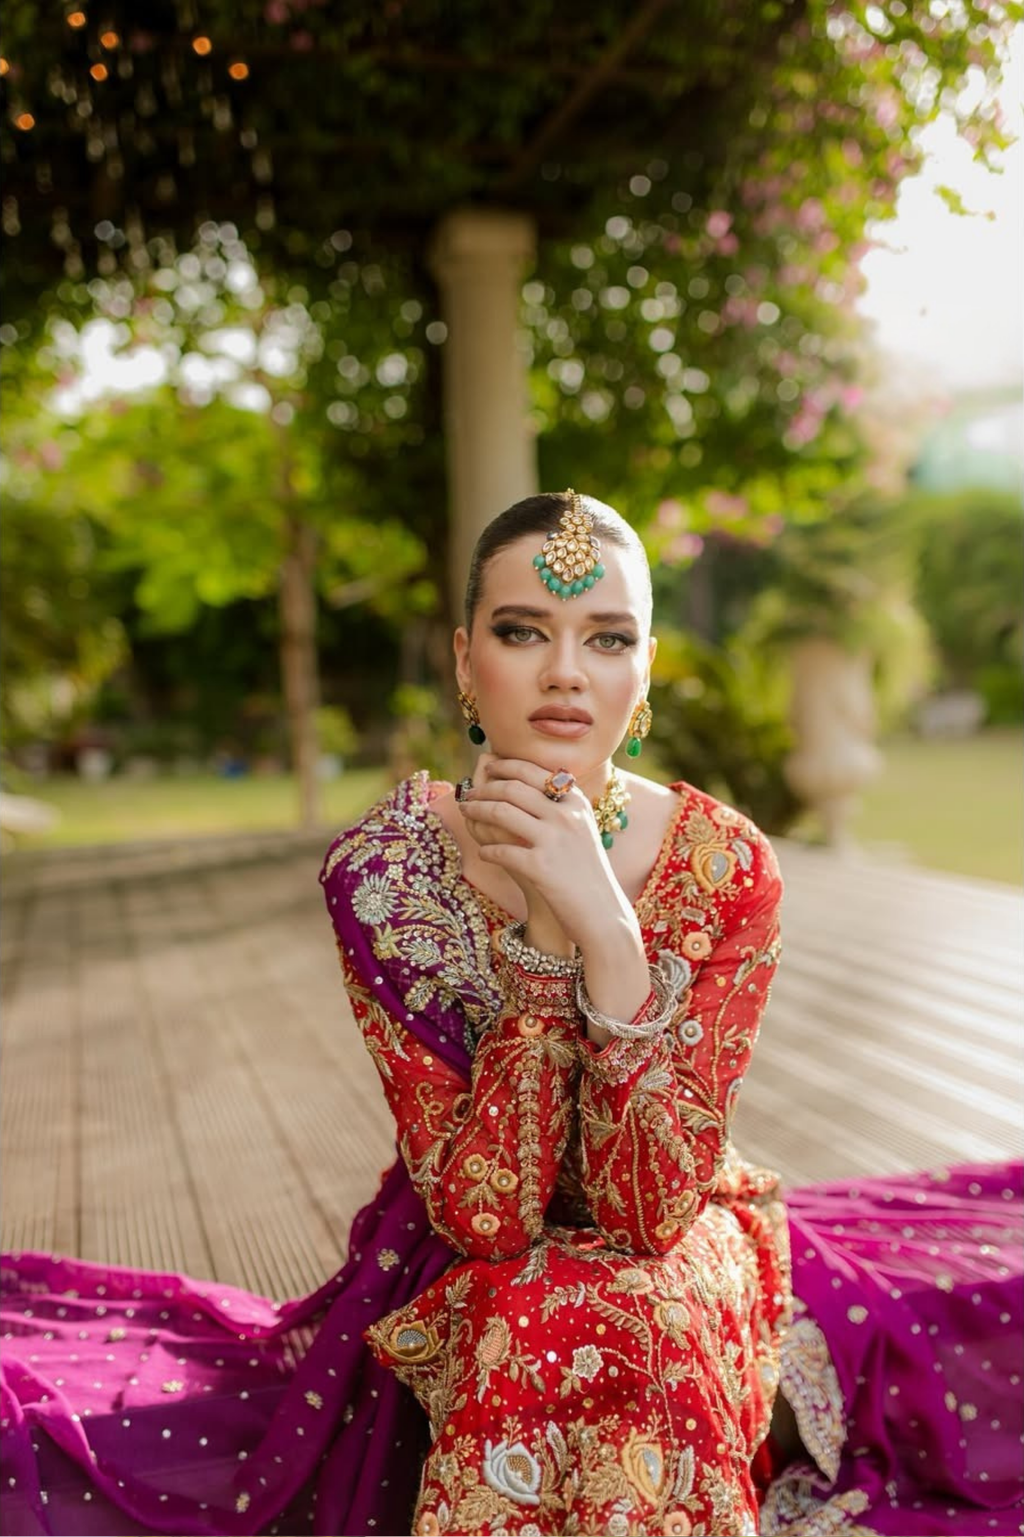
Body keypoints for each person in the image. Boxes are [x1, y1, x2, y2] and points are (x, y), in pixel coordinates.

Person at [1, 491, 1020, 1537]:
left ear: (646, 667)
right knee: (538, 1304)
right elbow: (487, 1213)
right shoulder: (383, 874)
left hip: (683, 1219)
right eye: (522, 630)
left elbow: (647, 1207)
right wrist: (541, 930)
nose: (566, 671)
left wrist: (607, 929)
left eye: (607, 637)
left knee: (642, 1305)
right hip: (457, 1233)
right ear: (461, 657)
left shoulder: (724, 866)